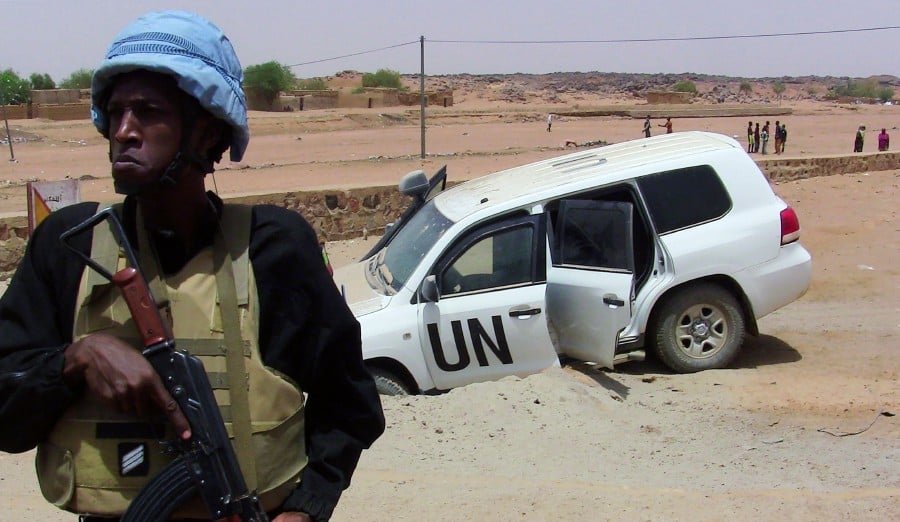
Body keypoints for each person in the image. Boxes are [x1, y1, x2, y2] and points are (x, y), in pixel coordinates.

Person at [0, 10, 384, 522]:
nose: (124, 131)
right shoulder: (70, 248)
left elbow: (350, 402)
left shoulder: (273, 249)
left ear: (206, 131)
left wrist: (308, 507)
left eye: (147, 112)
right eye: (115, 114)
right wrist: (79, 359)